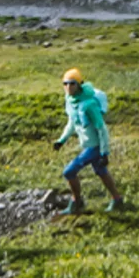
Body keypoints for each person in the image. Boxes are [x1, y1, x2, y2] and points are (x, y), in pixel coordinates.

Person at [53, 68, 124, 214]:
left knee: (69, 171)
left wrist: (105, 152)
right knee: (101, 171)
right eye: (65, 84)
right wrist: (62, 140)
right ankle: (117, 199)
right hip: (87, 145)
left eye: (72, 84)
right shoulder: (71, 102)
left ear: (79, 84)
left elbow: (101, 129)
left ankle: (76, 202)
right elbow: (71, 123)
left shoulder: (89, 104)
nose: (68, 87)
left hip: (95, 146)